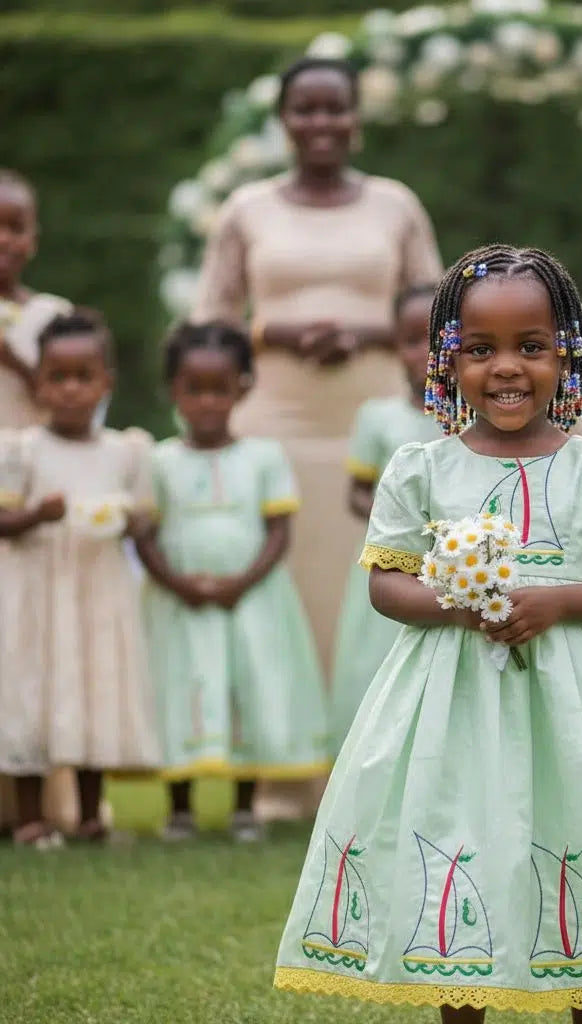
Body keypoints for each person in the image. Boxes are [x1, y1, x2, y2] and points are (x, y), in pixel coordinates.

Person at [274, 246, 582, 1018]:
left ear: (567, 355)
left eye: (530, 347)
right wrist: (456, 602)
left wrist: (559, 602)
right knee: (460, 833)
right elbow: (386, 584)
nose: (506, 368)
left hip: (577, 700)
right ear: (447, 362)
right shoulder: (419, 469)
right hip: (455, 702)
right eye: (480, 350)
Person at [191, 55, 443, 821]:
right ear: (283, 119)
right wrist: (279, 329)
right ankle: (282, 779)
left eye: (336, 109)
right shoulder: (246, 209)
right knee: (288, 603)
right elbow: (208, 323)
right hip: (277, 425)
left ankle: (378, 771)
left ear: (357, 118)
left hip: (381, 434)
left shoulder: (396, 205)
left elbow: (439, 313)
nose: (321, 124)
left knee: (374, 596)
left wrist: (364, 331)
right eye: (305, 109)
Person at [137, 322, 329, 842]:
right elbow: (145, 535)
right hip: (179, 604)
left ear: (242, 387)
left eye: (219, 389)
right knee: (183, 687)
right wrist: (177, 583)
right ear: (174, 389)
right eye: (192, 389)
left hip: (252, 602)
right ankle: (180, 808)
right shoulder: (157, 461)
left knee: (249, 686)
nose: (206, 402)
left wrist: (240, 583)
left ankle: (246, 806)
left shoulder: (262, 457)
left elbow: (277, 533)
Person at [0, 309, 159, 848]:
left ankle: (92, 814)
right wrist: (34, 516)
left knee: (95, 685)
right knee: (33, 690)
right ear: (37, 381)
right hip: (38, 592)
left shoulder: (125, 452)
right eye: (56, 377)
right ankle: (30, 816)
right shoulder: (21, 450)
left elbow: (142, 519)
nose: (70, 390)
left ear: (105, 383)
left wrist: (131, 519)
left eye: (83, 377)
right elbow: (4, 520)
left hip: (97, 592)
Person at [0, 169, 80, 838]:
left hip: (32, 491)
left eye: (15, 226)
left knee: (25, 648)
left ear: (33, 237)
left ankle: (35, 803)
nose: (3, 240)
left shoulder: (51, 316)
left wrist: (15, 359)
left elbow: (78, 400)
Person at [329, 284, 441, 753]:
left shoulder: (472, 421)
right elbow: (356, 492)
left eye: (436, 339)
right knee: (375, 658)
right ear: (395, 346)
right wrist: (391, 515)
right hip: (393, 562)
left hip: (452, 567)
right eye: (411, 340)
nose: (425, 353)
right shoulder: (376, 418)